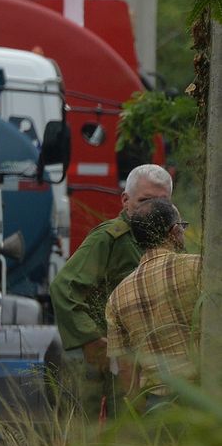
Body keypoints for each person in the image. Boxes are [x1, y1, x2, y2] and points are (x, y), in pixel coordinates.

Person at [50, 163, 173, 416]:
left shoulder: (169, 240)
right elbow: (65, 288)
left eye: (162, 203)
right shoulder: (110, 239)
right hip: (113, 364)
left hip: (152, 365)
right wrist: (93, 340)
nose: (153, 209)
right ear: (125, 200)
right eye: (145, 200)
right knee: (108, 440)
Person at [105, 198, 201, 408]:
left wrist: (140, 412)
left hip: (157, 405)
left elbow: (125, 367)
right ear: (175, 231)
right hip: (204, 396)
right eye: (182, 227)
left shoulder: (117, 297)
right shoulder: (198, 267)